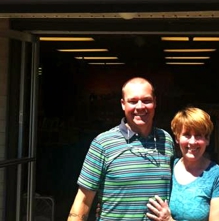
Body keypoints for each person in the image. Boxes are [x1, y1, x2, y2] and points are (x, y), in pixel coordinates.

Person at [68, 77, 175, 220]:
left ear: (155, 102)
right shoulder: (103, 143)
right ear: (123, 104)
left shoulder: (166, 140)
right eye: (132, 101)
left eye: (146, 100)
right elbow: (83, 201)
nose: (140, 106)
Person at [146, 107, 219, 221]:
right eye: (186, 134)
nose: (192, 142)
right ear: (177, 138)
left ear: (207, 139)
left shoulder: (218, 176)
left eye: (198, 135)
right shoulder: (168, 168)